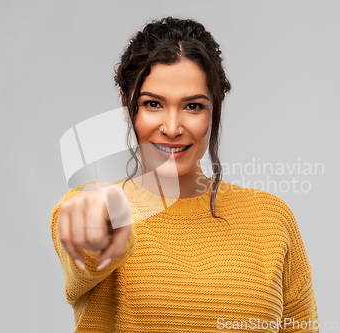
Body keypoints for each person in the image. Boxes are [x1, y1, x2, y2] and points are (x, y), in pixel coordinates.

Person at [51, 16, 319, 332]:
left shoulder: (272, 220)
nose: (172, 128)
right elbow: (88, 247)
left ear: (215, 109)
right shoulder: (91, 206)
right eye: (153, 104)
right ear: (126, 108)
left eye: (192, 106)